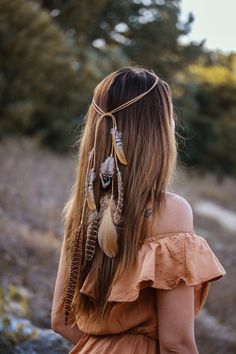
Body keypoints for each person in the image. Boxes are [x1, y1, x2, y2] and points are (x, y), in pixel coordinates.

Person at [51, 66, 226, 354]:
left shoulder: (83, 211)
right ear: (158, 133)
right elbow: (177, 343)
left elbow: (61, 320)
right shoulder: (170, 211)